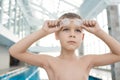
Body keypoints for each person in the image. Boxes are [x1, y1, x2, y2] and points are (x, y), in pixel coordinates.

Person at [9, 12, 120, 80]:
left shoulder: (88, 61)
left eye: (77, 30)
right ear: (57, 35)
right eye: (66, 30)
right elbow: (15, 51)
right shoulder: (49, 61)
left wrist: (99, 31)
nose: (72, 34)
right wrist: (43, 31)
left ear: (82, 37)